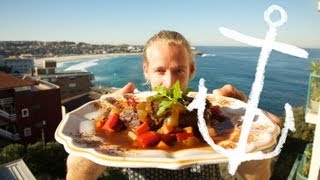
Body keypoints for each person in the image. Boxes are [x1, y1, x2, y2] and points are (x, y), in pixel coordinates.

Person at [66, 30, 281, 180]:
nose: (169, 83)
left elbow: (257, 177)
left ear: (192, 71)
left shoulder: (206, 110)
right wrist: (97, 136)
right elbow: (78, 174)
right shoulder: (129, 113)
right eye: (160, 71)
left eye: (179, 70)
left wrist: (247, 131)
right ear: (145, 71)